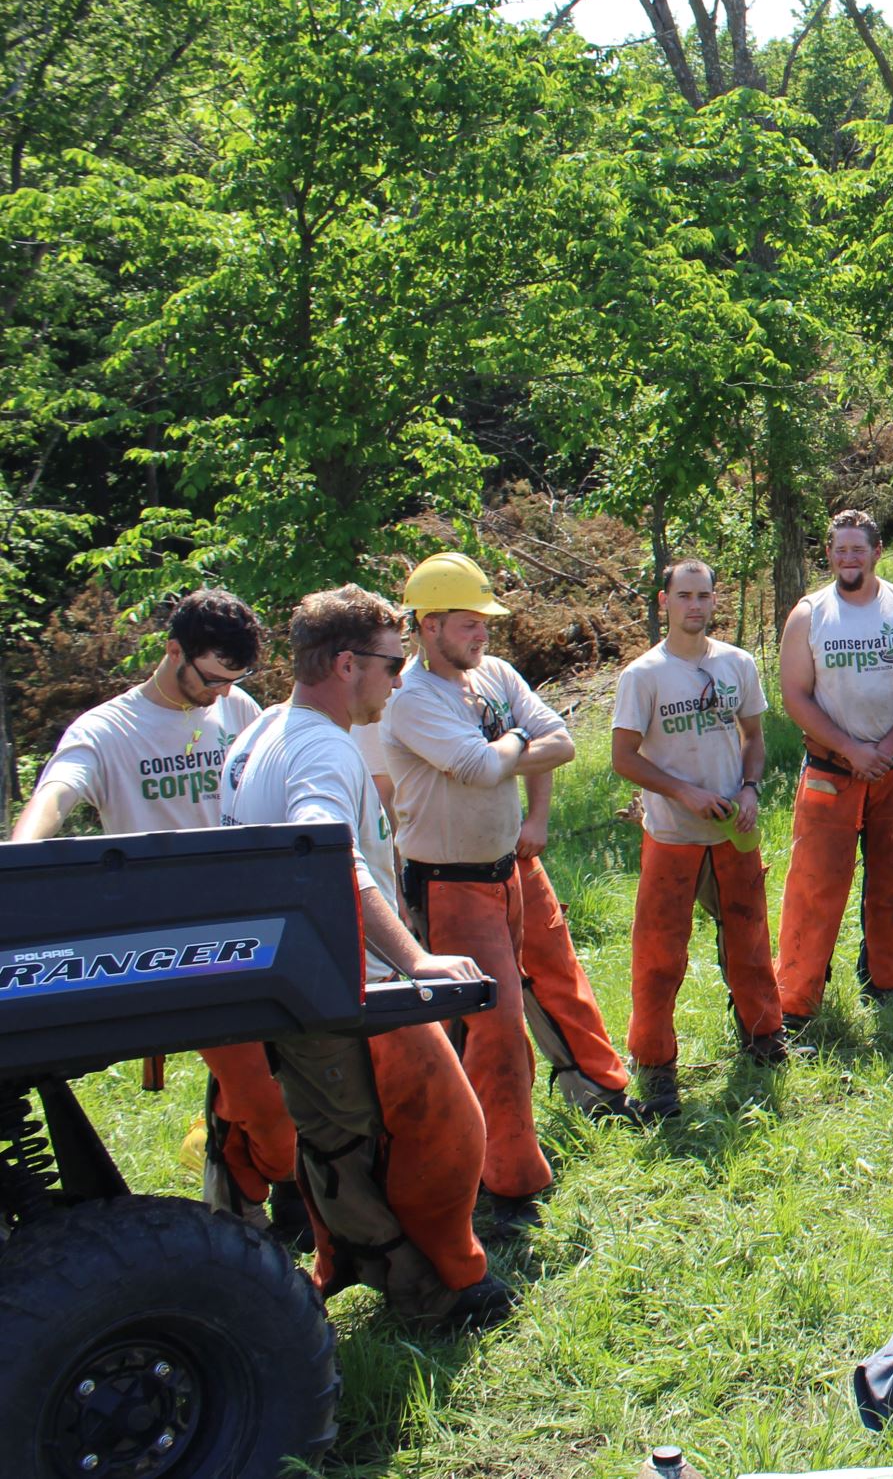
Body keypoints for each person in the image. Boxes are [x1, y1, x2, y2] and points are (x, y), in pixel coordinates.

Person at [221, 584, 512, 1330]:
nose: (396, 677)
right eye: (390, 663)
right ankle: (434, 1293)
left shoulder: (260, 735)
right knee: (428, 1135)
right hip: (342, 981)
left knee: (340, 1141)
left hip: (290, 980)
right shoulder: (322, 746)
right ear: (346, 663)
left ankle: (380, 1274)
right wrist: (414, 958)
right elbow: (330, 857)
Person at [11, 589, 305, 1242]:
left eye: (234, 680)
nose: (220, 693)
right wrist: (17, 856)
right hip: (187, 946)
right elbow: (57, 791)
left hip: (264, 925)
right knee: (270, 1115)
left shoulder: (236, 707)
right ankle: (251, 1186)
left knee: (301, 1080)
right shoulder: (107, 730)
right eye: (211, 677)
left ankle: (261, 1210)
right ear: (173, 650)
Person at [372, 551, 642, 1234]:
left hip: (510, 865)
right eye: (468, 624)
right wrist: (516, 740)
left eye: (484, 622)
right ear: (428, 626)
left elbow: (562, 743)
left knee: (557, 976)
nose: (482, 635)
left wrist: (525, 787)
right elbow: (473, 763)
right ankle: (506, 1183)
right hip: (449, 882)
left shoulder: (492, 674)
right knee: (491, 1030)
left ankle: (601, 1088)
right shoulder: (410, 700)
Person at [611, 559, 791, 1117]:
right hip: (672, 834)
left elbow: (755, 737)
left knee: (750, 937)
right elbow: (623, 758)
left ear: (715, 602)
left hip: (733, 829)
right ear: (664, 602)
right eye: (684, 596)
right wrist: (682, 793)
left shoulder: (737, 663)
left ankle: (763, 1037)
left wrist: (750, 788)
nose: (695, 605)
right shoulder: (644, 674)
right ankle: (656, 1064)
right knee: (660, 954)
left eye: (704, 596)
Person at [776, 509, 893, 1015]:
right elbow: (795, 696)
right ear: (829, 555)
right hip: (831, 769)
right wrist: (852, 749)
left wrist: (886, 748)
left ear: (877, 552)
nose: (848, 557)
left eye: (858, 548)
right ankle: (798, 1000)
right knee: (813, 885)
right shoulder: (809, 614)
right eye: (839, 549)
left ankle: (885, 984)